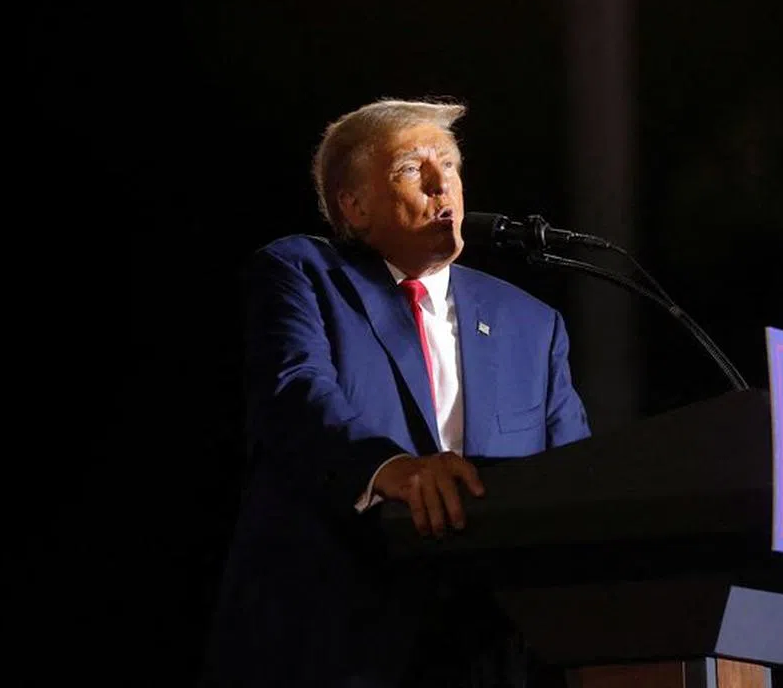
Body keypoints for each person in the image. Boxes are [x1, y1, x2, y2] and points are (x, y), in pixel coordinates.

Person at [201, 98, 591, 687]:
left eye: (451, 166)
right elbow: (297, 398)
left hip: (487, 655)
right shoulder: (304, 275)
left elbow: (576, 475)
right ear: (353, 207)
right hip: (334, 649)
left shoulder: (532, 325)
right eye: (412, 169)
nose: (443, 185)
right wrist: (395, 469)